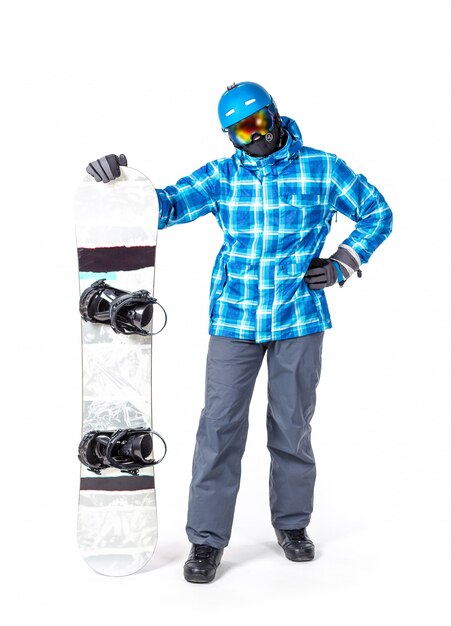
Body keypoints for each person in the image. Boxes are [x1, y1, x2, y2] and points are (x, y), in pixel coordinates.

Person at [87, 81, 393, 584]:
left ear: (274, 115)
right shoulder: (223, 176)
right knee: (219, 428)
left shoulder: (323, 167)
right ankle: (206, 541)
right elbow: (164, 207)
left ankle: (292, 526)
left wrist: (344, 260)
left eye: (256, 124)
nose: (252, 139)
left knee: (292, 426)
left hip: (299, 317)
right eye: (237, 133)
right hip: (236, 317)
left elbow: (377, 212)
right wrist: (121, 180)